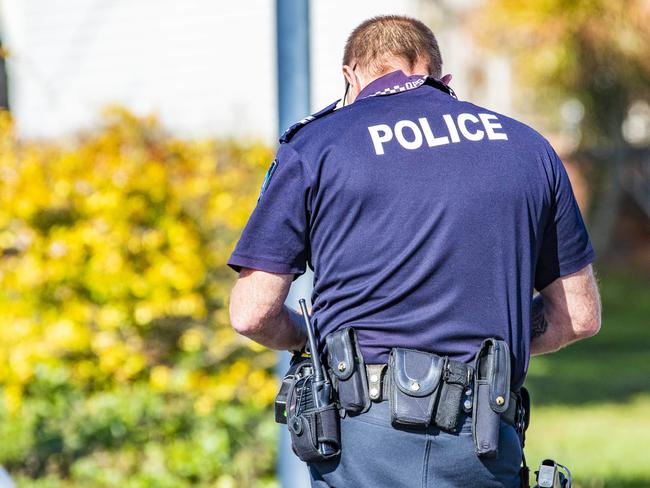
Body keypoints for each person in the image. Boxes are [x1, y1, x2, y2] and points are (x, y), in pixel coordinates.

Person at [228, 15, 601, 488]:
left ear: (351, 77)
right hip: (483, 437)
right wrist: (484, 345)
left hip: (361, 439)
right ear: (442, 79)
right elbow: (579, 316)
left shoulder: (317, 145)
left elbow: (250, 313)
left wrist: (310, 340)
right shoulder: (528, 147)